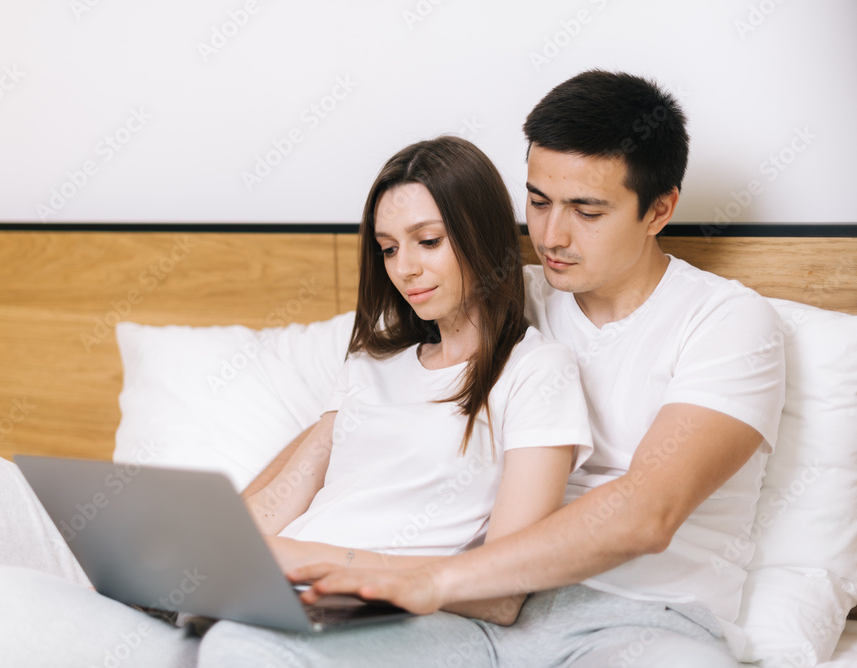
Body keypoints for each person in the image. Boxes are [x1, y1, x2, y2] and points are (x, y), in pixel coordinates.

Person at [0, 136, 594, 668]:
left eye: (426, 241)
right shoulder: (373, 369)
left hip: (345, 622)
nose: (405, 268)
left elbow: (505, 589)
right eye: (389, 247)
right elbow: (259, 517)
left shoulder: (536, 373)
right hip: (231, 595)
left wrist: (309, 561)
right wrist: (182, 552)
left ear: (481, 234)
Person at [276, 70, 787, 667]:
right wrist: (230, 540)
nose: (550, 235)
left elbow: (648, 512)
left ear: (659, 210)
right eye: (538, 202)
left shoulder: (726, 322)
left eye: (586, 212)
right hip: (474, 614)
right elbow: (358, 408)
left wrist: (433, 580)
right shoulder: (505, 293)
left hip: (638, 616)